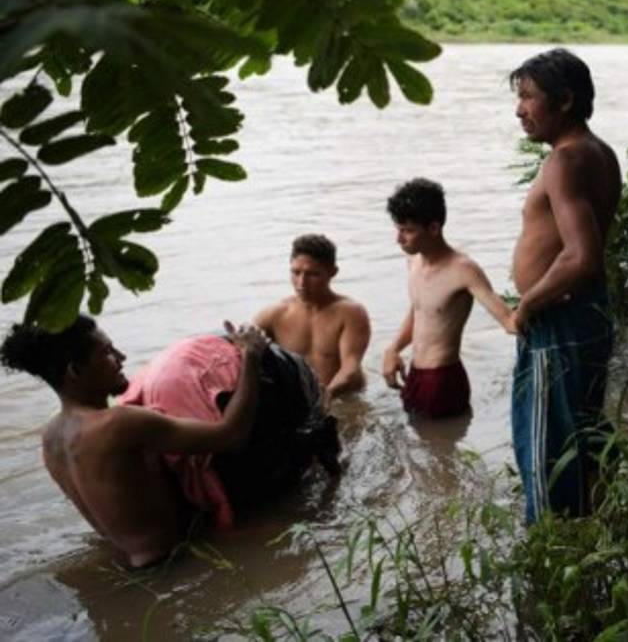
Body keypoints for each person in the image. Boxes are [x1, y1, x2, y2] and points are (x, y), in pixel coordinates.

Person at [0, 317, 266, 568]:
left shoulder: (51, 437)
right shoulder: (119, 423)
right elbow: (230, 435)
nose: (121, 358)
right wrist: (251, 356)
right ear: (75, 370)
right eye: (107, 353)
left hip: (133, 566)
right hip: (175, 566)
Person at [509, 48, 622, 523]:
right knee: (581, 434)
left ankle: (549, 547)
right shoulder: (599, 152)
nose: (519, 110)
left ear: (566, 100)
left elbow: (581, 256)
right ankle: (590, 533)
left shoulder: (565, 160)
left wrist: (527, 305)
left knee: (545, 449)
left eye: (529, 97)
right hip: (584, 313)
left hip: (557, 318)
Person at [381, 178, 515, 418]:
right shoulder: (414, 260)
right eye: (398, 229)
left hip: (442, 379)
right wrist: (393, 349)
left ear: (433, 228)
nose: (399, 239)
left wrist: (546, 299)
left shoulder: (463, 269)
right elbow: (419, 311)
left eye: (408, 230)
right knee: (418, 445)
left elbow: (509, 321)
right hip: (414, 374)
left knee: (439, 448)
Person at [254, 234, 371, 405]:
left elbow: (350, 367)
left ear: (333, 272)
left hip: (346, 399)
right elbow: (245, 355)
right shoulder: (274, 315)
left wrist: (327, 394)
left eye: (312, 274)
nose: (301, 282)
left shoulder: (351, 313)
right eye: (296, 272)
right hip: (301, 400)